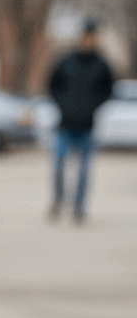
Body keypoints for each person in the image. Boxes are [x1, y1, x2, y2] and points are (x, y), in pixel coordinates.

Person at [47, 19, 115, 222]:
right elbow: (52, 86)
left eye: (92, 37)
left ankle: (78, 207)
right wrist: (63, 105)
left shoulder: (102, 65)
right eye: (86, 36)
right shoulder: (66, 61)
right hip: (65, 124)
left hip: (87, 126)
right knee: (58, 165)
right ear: (81, 37)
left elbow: (108, 91)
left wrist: (92, 106)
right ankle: (58, 200)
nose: (89, 40)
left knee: (84, 170)